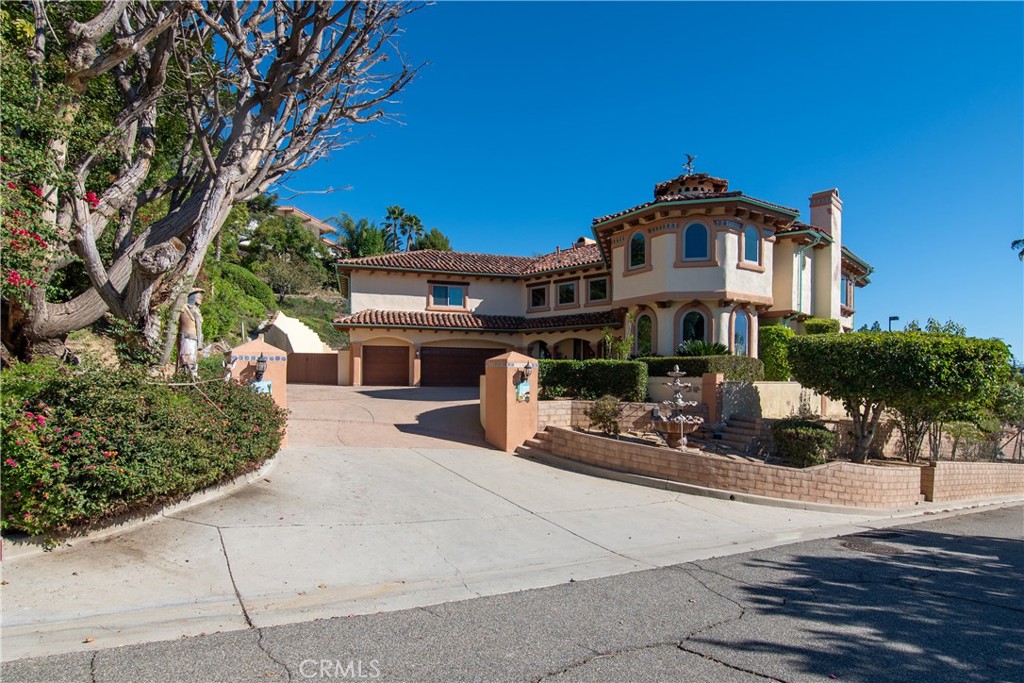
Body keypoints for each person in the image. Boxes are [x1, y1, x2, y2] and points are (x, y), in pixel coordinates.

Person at [177, 287, 205, 377]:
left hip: (195, 340)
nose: (200, 298)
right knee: (187, 360)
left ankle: (192, 376)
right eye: (198, 295)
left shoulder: (197, 311)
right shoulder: (184, 308)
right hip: (187, 338)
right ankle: (186, 376)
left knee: (193, 361)